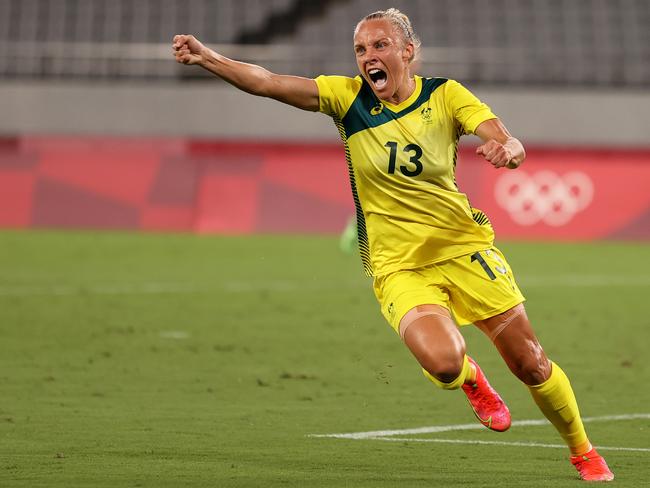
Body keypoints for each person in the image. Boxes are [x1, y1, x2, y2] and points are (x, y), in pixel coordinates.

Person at [172, 8, 613, 482]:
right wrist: (209, 58)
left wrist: (508, 150)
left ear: (407, 52)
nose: (369, 58)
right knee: (445, 365)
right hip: (398, 266)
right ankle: (470, 379)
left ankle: (583, 451)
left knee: (530, 363)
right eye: (361, 49)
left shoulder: (445, 96)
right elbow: (267, 81)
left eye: (380, 46)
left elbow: (504, 137)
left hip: (465, 250)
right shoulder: (348, 99)